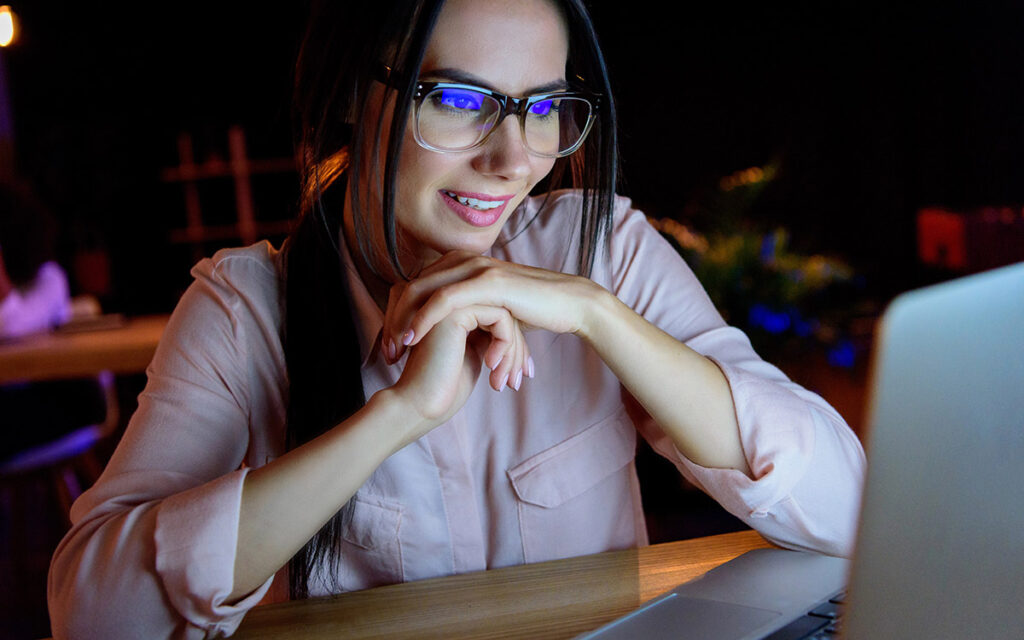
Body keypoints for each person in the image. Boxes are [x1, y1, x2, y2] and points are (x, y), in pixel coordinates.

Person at [48, 0, 866, 637]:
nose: (515, 159)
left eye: (545, 108)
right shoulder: (248, 311)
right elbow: (92, 616)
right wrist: (396, 416)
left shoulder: (599, 250)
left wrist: (594, 313)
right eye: (459, 99)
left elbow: (844, 506)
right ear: (347, 95)